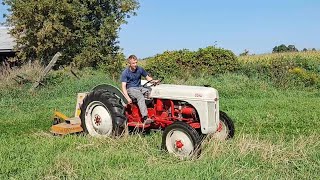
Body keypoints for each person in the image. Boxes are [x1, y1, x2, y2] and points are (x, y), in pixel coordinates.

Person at [120, 55, 159, 124]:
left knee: (151, 92)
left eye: (136, 62)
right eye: (133, 63)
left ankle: (155, 112)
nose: (135, 65)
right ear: (129, 64)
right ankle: (145, 117)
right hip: (130, 89)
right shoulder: (125, 73)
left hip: (139, 87)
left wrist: (154, 81)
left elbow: (148, 78)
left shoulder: (140, 69)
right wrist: (127, 98)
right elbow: (123, 86)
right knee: (140, 96)